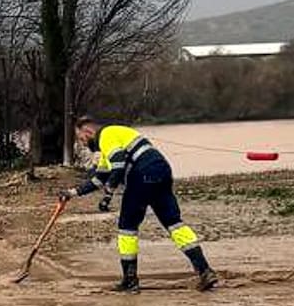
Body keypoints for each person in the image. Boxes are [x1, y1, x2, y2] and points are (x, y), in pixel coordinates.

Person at [59, 116, 219, 293]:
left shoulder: (106, 135)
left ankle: (130, 280)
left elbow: (119, 164)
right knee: (174, 223)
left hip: (141, 175)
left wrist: (108, 195)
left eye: (81, 138)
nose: (82, 143)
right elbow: (99, 179)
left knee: (127, 228)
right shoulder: (111, 143)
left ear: (88, 131)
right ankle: (205, 271)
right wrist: (72, 193)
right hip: (161, 170)